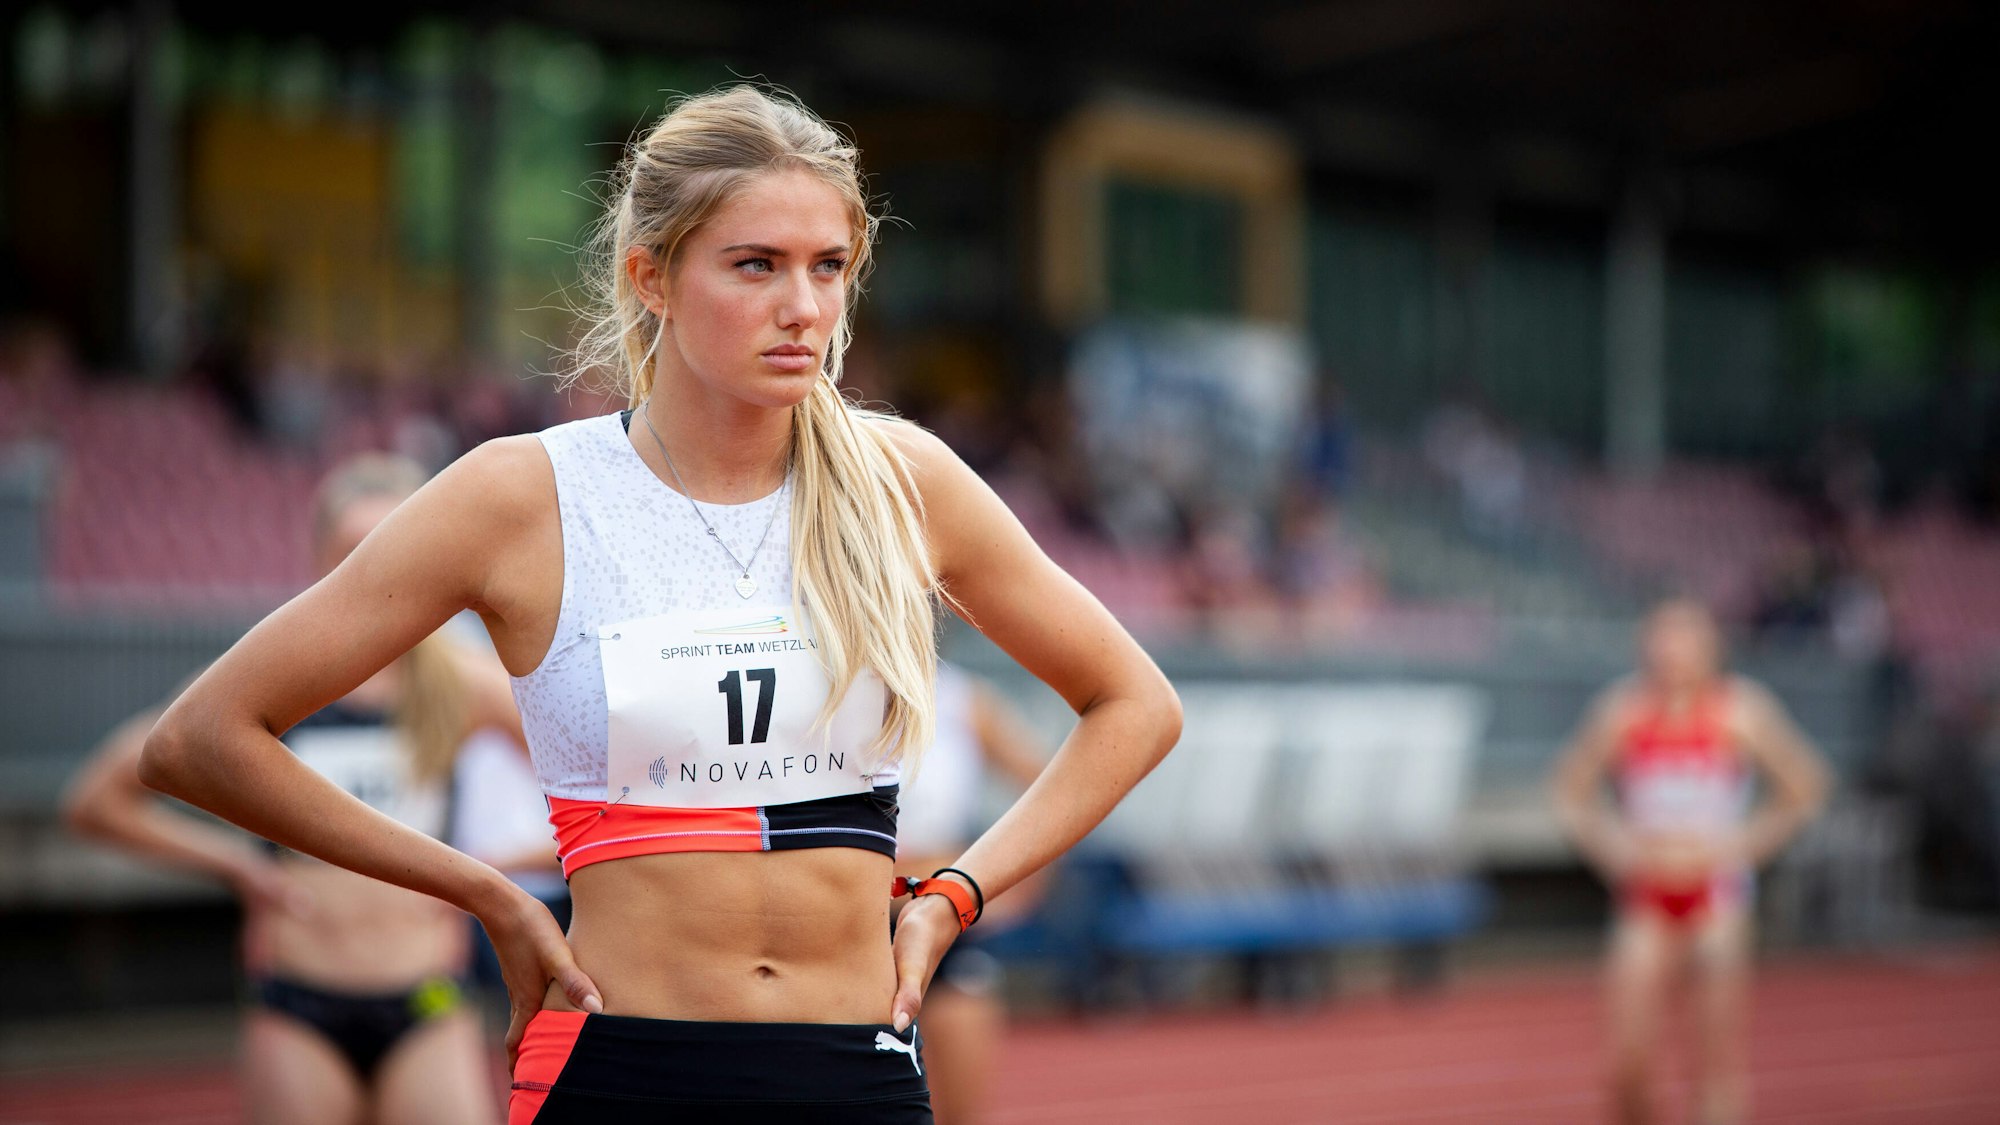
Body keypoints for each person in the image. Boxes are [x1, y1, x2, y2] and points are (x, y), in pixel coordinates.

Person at [138, 84, 1182, 1124]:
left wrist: (956, 894)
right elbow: (201, 740)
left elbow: (1135, 704)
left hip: (855, 1073)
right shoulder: (523, 497)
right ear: (652, 276)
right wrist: (483, 890)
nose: (803, 307)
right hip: (618, 1067)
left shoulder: (901, 481)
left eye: (828, 266)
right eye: (754, 265)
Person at [64, 453, 527, 1124]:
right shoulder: (267, 684)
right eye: (353, 551)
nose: (380, 573)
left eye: (393, 548)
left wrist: (490, 873)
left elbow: (600, 787)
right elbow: (96, 798)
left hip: (427, 998)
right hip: (298, 1001)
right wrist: (235, 864)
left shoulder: (462, 684)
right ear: (322, 564)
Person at [1551, 598, 1831, 1125]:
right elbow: (1570, 792)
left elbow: (1806, 785)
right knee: (1626, 1063)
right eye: (1661, 639)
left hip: (1716, 897)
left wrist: (1744, 845)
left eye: (1684, 640)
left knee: (1715, 1061)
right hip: (1647, 898)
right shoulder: (1624, 709)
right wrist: (1611, 846)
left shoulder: (1741, 710)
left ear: (1710, 648)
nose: (1671, 652)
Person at [893, 662, 1049, 1125]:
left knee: (959, 1110)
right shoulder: (821, 682)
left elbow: (1043, 781)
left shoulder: (962, 698)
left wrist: (1020, 885)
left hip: (944, 917)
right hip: (851, 921)